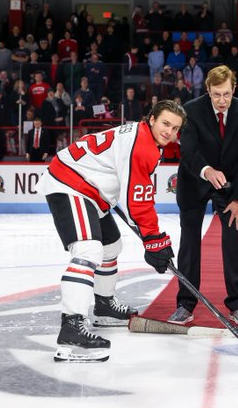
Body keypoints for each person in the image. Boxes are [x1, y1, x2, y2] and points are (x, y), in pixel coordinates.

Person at [35, 100, 186, 362]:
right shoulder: (142, 145)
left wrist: (153, 239)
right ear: (151, 119)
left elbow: (132, 194)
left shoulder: (143, 137)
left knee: (111, 246)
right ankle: (72, 326)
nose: (169, 132)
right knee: (88, 249)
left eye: (175, 128)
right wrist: (154, 240)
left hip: (91, 190)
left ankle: (104, 306)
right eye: (165, 124)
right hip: (71, 184)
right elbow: (136, 201)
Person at [169, 66, 238, 325]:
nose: (221, 100)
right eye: (216, 94)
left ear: (234, 88)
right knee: (189, 244)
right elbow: (190, 151)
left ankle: (237, 303)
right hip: (195, 181)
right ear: (207, 90)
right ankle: (186, 303)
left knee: (234, 241)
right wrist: (207, 171)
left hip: (229, 186)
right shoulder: (191, 109)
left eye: (226, 94)